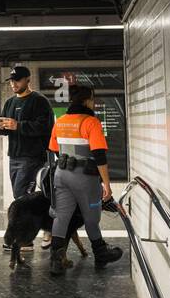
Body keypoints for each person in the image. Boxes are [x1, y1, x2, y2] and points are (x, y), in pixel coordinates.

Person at [46, 84, 123, 274]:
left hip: (62, 175)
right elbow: (99, 156)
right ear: (87, 100)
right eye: (93, 99)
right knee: (91, 217)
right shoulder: (91, 122)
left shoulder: (61, 121)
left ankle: (56, 260)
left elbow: (54, 149)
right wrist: (107, 184)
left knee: (62, 216)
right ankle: (101, 253)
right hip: (85, 178)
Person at [0, 65, 54, 199]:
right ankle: (30, 219)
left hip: (32, 158)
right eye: (11, 81)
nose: (13, 84)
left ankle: (26, 220)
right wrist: (0, 126)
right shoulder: (10, 102)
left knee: (22, 197)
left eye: (17, 80)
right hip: (14, 157)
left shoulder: (39, 100)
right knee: (19, 195)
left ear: (28, 80)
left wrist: (18, 126)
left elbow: (45, 127)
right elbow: (6, 129)